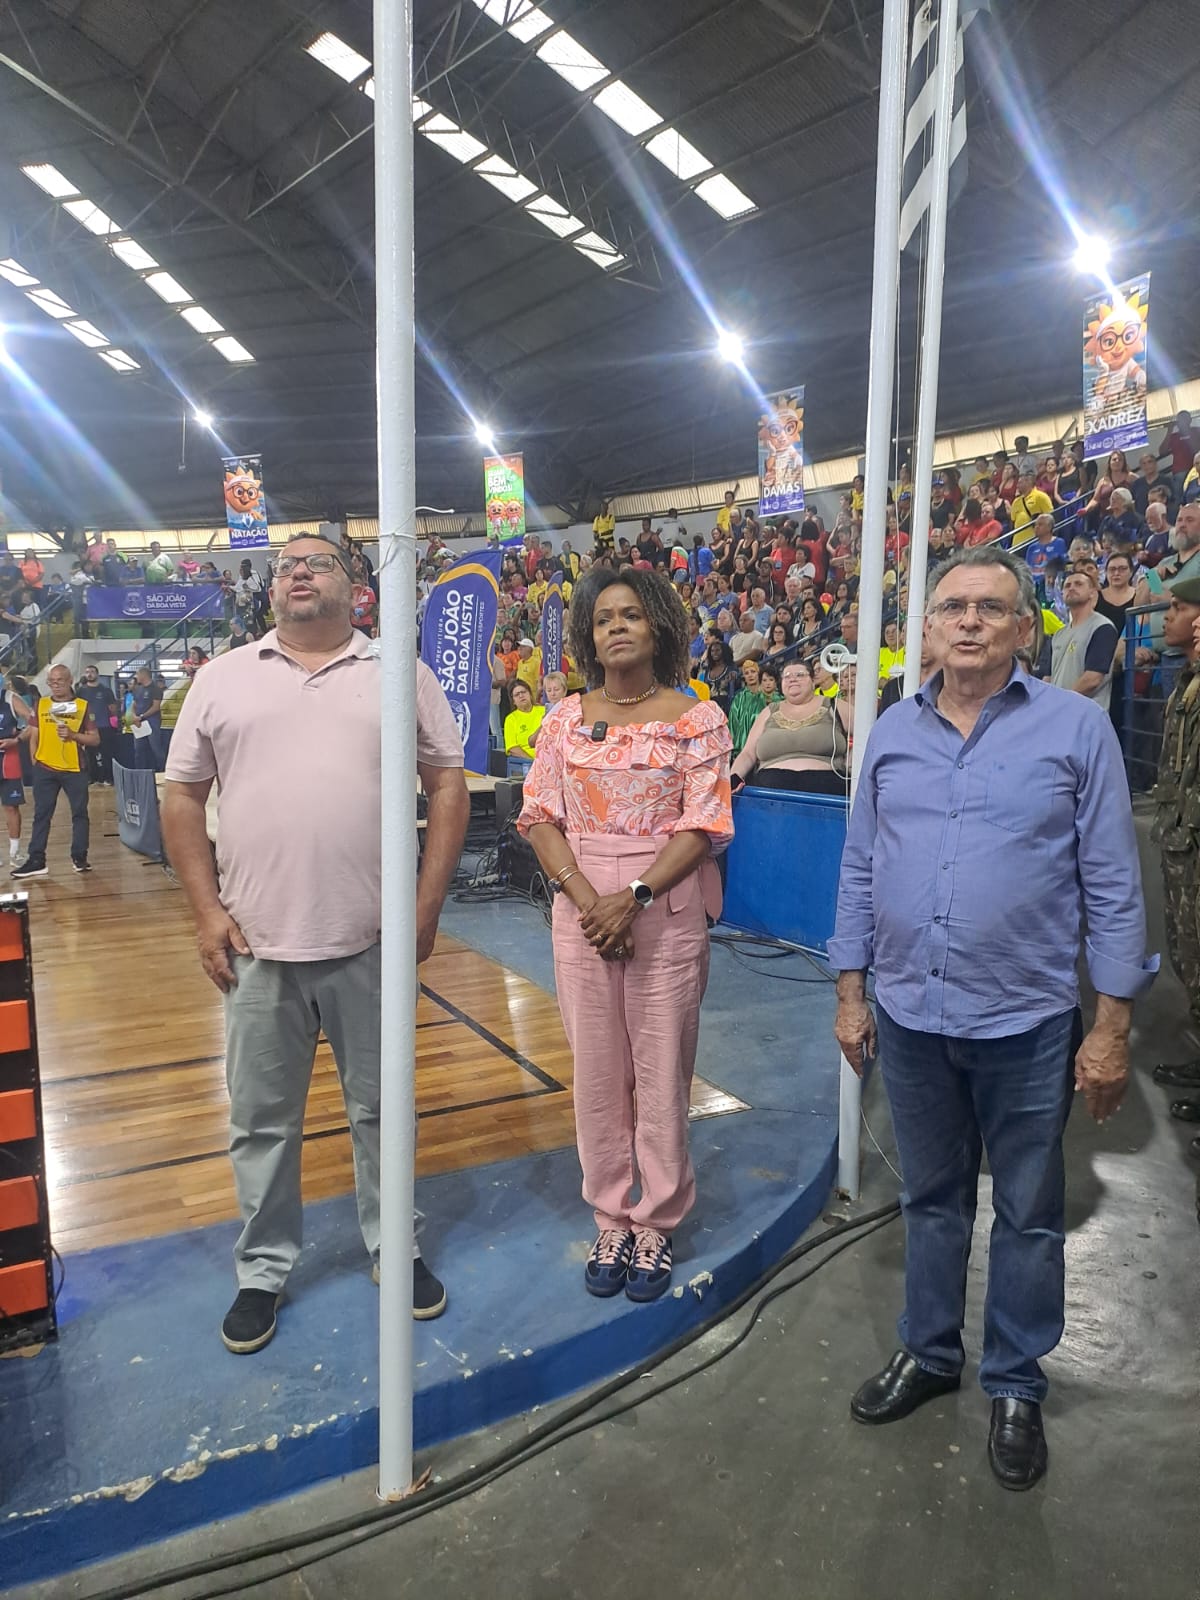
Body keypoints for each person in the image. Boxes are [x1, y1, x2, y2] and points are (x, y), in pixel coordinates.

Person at [829, 545, 1157, 1491]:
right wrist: (850, 990)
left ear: (1023, 628)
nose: (969, 621)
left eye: (990, 607)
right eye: (952, 607)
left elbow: (1112, 882)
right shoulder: (893, 733)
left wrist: (1113, 1024)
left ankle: (1015, 1382)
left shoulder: (1076, 729)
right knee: (931, 1200)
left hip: (1027, 1019)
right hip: (912, 1012)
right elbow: (860, 867)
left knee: (1028, 1212)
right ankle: (931, 1353)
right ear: (929, 629)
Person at [162, 535, 470, 1352]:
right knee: (261, 1122)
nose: (298, 571)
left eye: (319, 562)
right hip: (255, 944)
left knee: (382, 1112)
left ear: (355, 586)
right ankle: (262, 1270)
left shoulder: (399, 673)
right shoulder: (222, 677)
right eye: (286, 565)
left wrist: (426, 906)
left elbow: (447, 784)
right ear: (271, 589)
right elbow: (182, 798)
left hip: (371, 941)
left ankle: (395, 1248)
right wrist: (205, 912)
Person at [518, 568, 733, 1303]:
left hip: (663, 907)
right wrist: (590, 902)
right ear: (589, 635)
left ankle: (657, 1219)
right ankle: (612, 1215)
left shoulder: (696, 718)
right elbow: (540, 817)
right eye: (604, 616)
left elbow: (704, 824)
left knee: (663, 1070)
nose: (616, 626)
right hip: (581, 908)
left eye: (632, 614)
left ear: (659, 626)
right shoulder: (562, 719)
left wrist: (633, 897)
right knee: (598, 1073)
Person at [1148, 579, 1200, 1114]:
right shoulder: (1187, 681)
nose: (1170, 615)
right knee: (1190, 957)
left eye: (1181, 607)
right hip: (1183, 841)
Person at [10, 663, 100, 878]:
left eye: (60, 680)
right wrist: (35, 760)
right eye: (51, 681)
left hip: (75, 769)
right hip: (45, 769)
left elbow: (95, 739)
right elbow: (34, 733)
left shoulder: (82, 706)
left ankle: (79, 857)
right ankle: (36, 860)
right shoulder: (41, 704)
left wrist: (73, 735)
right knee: (41, 814)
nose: (55, 685)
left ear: (70, 681)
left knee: (79, 814)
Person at [730, 658, 851, 796]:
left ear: (813, 681)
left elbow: (867, 733)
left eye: (800, 675)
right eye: (787, 676)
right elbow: (748, 753)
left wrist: (853, 758)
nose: (792, 679)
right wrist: (733, 777)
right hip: (769, 793)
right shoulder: (769, 711)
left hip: (826, 791)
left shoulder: (834, 705)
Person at [1048, 568, 1118, 710]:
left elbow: (1093, 679)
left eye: (1079, 584)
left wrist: (1060, 702)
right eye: (1067, 586)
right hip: (1059, 712)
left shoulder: (1102, 627)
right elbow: (1049, 676)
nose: (1071, 588)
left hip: (1087, 714)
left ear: (1092, 593)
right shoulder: (1059, 634)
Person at [75, 664, 117, 784]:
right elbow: (77, 708)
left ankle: (108, 777)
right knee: (90, 754)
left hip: (104, 726)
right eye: (87, 672)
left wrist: (113, 721)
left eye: (92, 672)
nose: (89, 674)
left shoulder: (106, 690)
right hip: (88, 728)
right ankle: (92, 777)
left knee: (106, 753)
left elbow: (112, 708)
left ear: (97, 674)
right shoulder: (81, 691)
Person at [0, 683, 25, 864]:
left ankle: (15, 852)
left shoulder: (10, 698)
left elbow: (34, 721)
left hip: (9, 759)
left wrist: (18, 738)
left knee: (11, 807)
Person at [727, 659, 768, 754]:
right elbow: (733, 725)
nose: (750, 675)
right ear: (744, 677)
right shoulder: (739, 698)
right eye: (746, 673)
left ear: (758, 674)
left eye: (753, 671)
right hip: (742, 749)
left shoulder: (768, 695)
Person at [129, 665, 164, 771]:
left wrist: (141, 716)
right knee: (139, 750)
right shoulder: (138, 689)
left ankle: (162, 771)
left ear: (143, 675)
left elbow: (156, 707)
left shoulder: (156, 689)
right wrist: (134, 716)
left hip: (152, 722)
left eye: (137, 674)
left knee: (156, 749)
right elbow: (134, 704)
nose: (136, 677)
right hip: (139, 723)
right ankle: (140, 772)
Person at [504, 680, 545, 761]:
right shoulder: (511, 719)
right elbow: (512, 748)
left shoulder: (544, 711)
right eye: (517, 695)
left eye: (523, 692)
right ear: (513, 701)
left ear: (530, 694)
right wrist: (531, 762)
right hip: (524, 763)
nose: (521, 696)